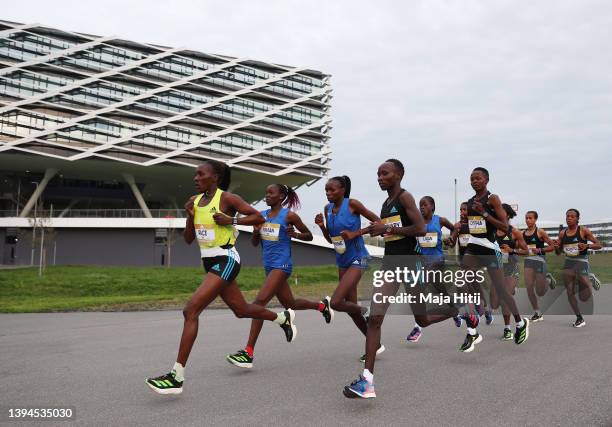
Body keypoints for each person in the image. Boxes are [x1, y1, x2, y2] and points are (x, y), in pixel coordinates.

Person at [146, 161, 296, 395]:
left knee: (191, 310)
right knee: (242, 310)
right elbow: (188, 239)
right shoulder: (193, 202)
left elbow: (257, 217)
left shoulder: (227, 199)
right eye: (195, 174)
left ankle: (177, 376)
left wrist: (231, 220)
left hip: (227, 260)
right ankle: (281, 319)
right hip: (210, 263)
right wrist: (190, 216)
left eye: (200, 174)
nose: (195, 178)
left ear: (214, 177)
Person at [343, 159, 458, 399]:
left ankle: (455, 310)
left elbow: (420, 228)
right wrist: (375, 230)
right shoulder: (385, 204)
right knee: (375, 319)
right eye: (377, 174)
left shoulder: (405, 198)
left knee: (423, 319)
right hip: (390, 264)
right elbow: (387, 229)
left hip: (411, 263)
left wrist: (391, 230)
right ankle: (367, 381)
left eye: (385, 174)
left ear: (399, 175)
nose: (380, 178)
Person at [226, 184, 333, 369]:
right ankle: (322, 306)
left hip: (282, 265)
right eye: (266, 192)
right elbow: (254, 244)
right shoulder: (261, 215)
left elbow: (309, 236)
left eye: (271, 193)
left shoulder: (289, 215)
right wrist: (256, 233)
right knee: (290, 304)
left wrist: (296, 234)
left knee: (258, 303)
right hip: (268, 266)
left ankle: (248, 352)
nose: (267, 196)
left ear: (281, 195)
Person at [458, 167, 529, 353]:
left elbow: (505, 227)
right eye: (471, 178)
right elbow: (473, 225)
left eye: (478, 178)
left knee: (502, 291)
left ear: (486, 180)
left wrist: (485, 214)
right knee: (462, 279)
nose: (474, 181)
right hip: (473, 245)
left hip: (489, 248)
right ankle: (473, 327)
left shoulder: (492, 199)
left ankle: (520, 323)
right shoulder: (470, 201)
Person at [315, 175, 381, 360]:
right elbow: (332, 240)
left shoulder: (353, 204)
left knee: (336, 302)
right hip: (342, 260)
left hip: (359, 257)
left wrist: (356, 233)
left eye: (332, 190)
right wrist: (321, 226)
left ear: (342, 190)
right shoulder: (328, 209)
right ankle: (374, 344)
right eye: (326, 190)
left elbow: (378, 223)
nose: (328, 193)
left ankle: (367, 311)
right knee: (352, 311)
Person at [406, 196, 462, 342]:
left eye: (424, 205)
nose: (421, 207)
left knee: (422, 286)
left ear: (432, 206)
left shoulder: (440, 220)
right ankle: (454, 311)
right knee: (441, 290)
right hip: (422, 261)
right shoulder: (417, 222)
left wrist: (452, 239)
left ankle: (418, 327)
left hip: (437, 259)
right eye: (420, 205)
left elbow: (455, 229)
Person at [552, 208, 602, 327]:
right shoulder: (562, 233)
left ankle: (590, 279)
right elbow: (558, 252)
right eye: (567, 216)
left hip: (581, 261)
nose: (569, 218)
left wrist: (587, 246)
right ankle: (579, 318)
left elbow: (599, 245)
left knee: (584, 296)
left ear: (578, 219)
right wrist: (556, 247)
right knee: (569, 292)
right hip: (569, 262)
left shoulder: (583, 231)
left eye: (572, 216)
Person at [493, 204, 528, 341]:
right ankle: (511, 290)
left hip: (511, 269)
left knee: (504, 297)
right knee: (495, 303)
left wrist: (512, 250)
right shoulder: (491, 232)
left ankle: (509, 328)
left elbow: (525, 251)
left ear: (506, 215)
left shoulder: (515, 232)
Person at [520, 210, 556, 322]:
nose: (528, 220)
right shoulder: (522, 234)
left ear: (535, 219)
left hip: (540, 261)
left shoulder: (540, 232)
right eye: (526, 218)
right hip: (528, 262)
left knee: (540, 291)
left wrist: (540, 249)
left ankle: (548, 281)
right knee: (529, 287)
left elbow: (552, 246)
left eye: (530, 218)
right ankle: (537, 312)